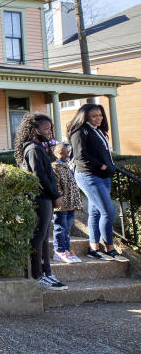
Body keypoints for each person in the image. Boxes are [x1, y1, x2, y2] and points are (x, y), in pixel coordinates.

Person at [66, 103, 128, 262]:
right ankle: (110, 248)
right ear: (85, 116)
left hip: (104, 177)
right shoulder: (80, 132)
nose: (98, 118)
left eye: (100, 115)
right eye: (94, 116)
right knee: (108, 211)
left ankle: (94, 248)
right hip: (89, 176)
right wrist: (102, 166)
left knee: (95, 212)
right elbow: (81, 157)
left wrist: (109, 167)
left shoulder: (99, 131)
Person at [14, 113, 66, 290]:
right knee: (39, 236)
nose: (50, 131)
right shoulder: (33, 149)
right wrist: (55, 195)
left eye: (51, 128)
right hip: (40, 199)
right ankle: (37, 275)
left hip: (45, 199)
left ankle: (47, 273)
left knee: (44, 237)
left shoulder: (38, 147)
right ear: (34, 129)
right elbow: (40, 177)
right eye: (46, 128)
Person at [51, 142, 83, 264]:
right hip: (61, 205)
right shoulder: (54, 167)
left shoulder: (67, 167)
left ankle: (66, 250)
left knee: (67, 229)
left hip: (70, 204)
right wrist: (58, 199)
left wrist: (77, 200)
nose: (65, 155)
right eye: (61, 153)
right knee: (60, 227)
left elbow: (73, 186)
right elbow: (56, 186)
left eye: (66, 152)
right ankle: (59, 251)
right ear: (55, 154)